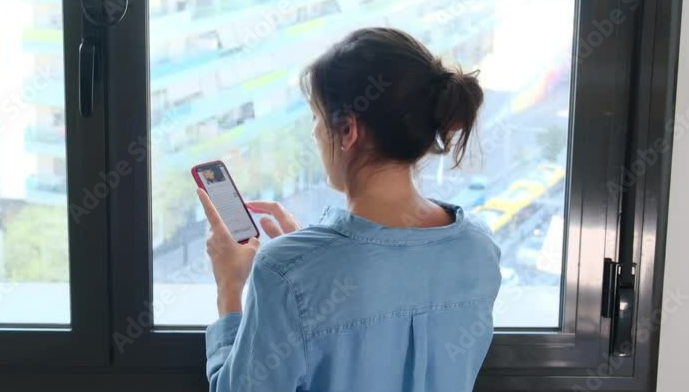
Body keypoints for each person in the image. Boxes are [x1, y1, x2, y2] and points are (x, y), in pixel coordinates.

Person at [198, 27, 502, 392]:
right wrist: (308, 260)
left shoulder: (285, 272)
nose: (314, 133)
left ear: (347, 131)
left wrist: (230, 285)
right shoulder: (479, 249)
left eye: (316, 116)